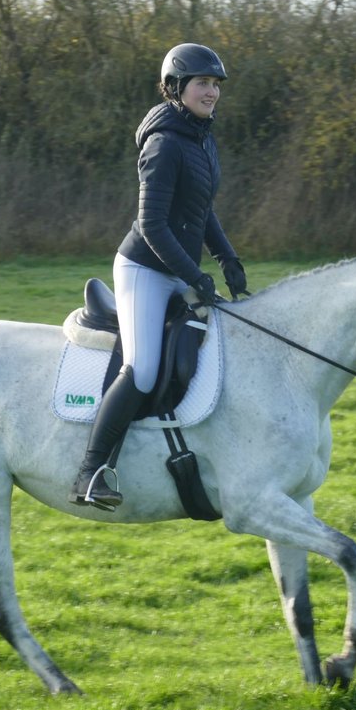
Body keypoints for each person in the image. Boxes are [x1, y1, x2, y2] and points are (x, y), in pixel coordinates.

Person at [69, 42, 248, 511]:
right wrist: (195, 275)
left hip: (177, 268)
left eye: (215, 84)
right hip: (144, 269)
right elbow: (152, 226)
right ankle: (91, 473)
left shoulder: (202, 138)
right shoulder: (164, 143)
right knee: (143, 369)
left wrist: (227, 258)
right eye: (202, 84)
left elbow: (201, 210)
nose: (211, 92)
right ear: (176, 89)